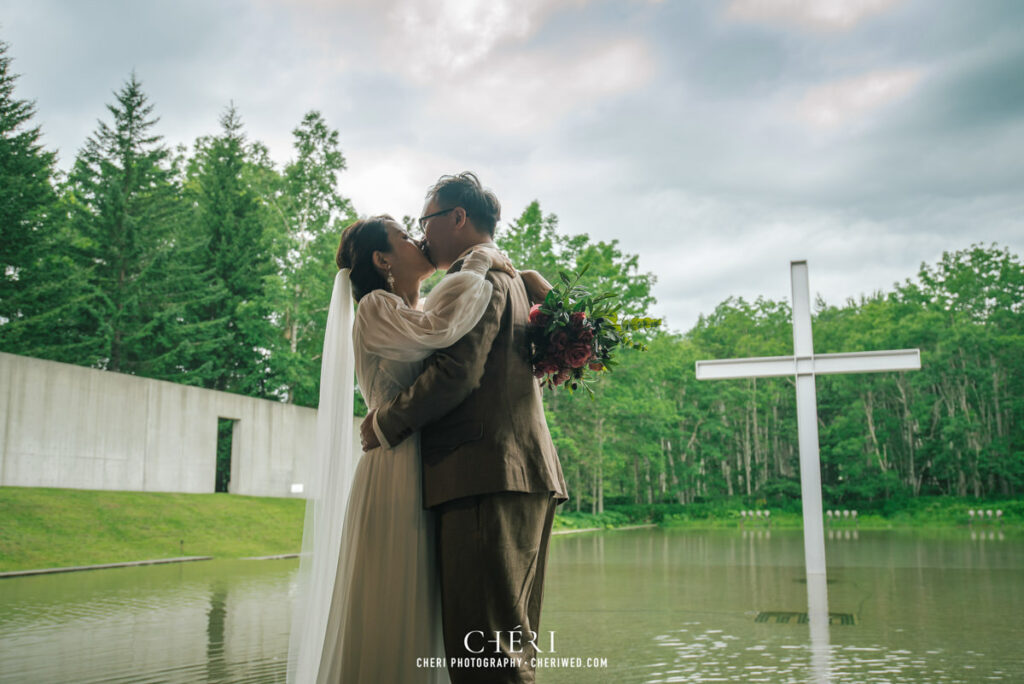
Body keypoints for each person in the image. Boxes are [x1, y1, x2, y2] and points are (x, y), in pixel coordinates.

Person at [286, 212, 518, 683]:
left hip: (431, 468)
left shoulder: (418, 306)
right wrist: (480, 261)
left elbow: (446, 326)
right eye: (404, 236)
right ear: (382, 259)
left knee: (430, 604)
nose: (418, 240)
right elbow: (441, 332)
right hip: (394, 468)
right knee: (394, 597)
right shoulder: (375, 306)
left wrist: (524, 281)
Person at [360, 172, 569, 683]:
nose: (422, 234)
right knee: (508, 647)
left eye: (425, 221)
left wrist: (384, 423)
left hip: (484, 475)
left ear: (456, 218)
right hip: (515, 474)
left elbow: (457, 373)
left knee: (485, 658)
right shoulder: (513, 281)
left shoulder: (482, 283)